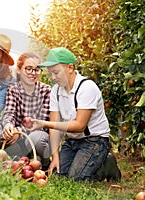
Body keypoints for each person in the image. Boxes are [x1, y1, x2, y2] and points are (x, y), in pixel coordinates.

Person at [29, 47, 121, 181]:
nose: (53, 78)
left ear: (70, 68)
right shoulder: (56, 91)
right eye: (50, 73)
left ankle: (107, 164)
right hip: (73, 141)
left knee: (76, 179)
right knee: (57, 176)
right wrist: (55, 157)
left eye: (56, 72)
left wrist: (43, 123)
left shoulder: (87, 87)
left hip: (95, 140)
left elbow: (79, 126)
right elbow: (54, 128)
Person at [0, 52, 51, 170]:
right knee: (2, 138)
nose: (33, 73)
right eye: (28, 69)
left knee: (35, 139)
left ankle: (44, 162)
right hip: (20, 139)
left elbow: (40, 123)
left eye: (37, 70)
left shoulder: (47, 91)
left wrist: (17, 131)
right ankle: (28, 160)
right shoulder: (13, 89)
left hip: (39, 136)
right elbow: (9, 113)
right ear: (19, 70)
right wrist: (8, 126)